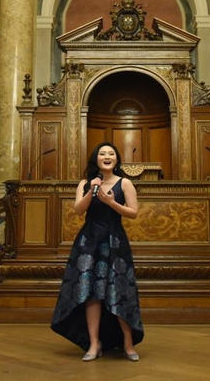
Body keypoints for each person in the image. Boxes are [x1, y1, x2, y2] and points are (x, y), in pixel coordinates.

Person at [51, 142, 144, 362]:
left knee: (119, 290)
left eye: (111, 153)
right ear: (96, 159)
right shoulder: (85, 183)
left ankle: (128, 343)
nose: (107, 156)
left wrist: (111, 202)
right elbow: (78, 210)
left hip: (115, 242)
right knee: (90, 292)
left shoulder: (125, 183)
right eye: (102, 153)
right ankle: (94, 343)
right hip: (88, 243)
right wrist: (92, 191)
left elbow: (133, 213)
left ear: (117, 159)